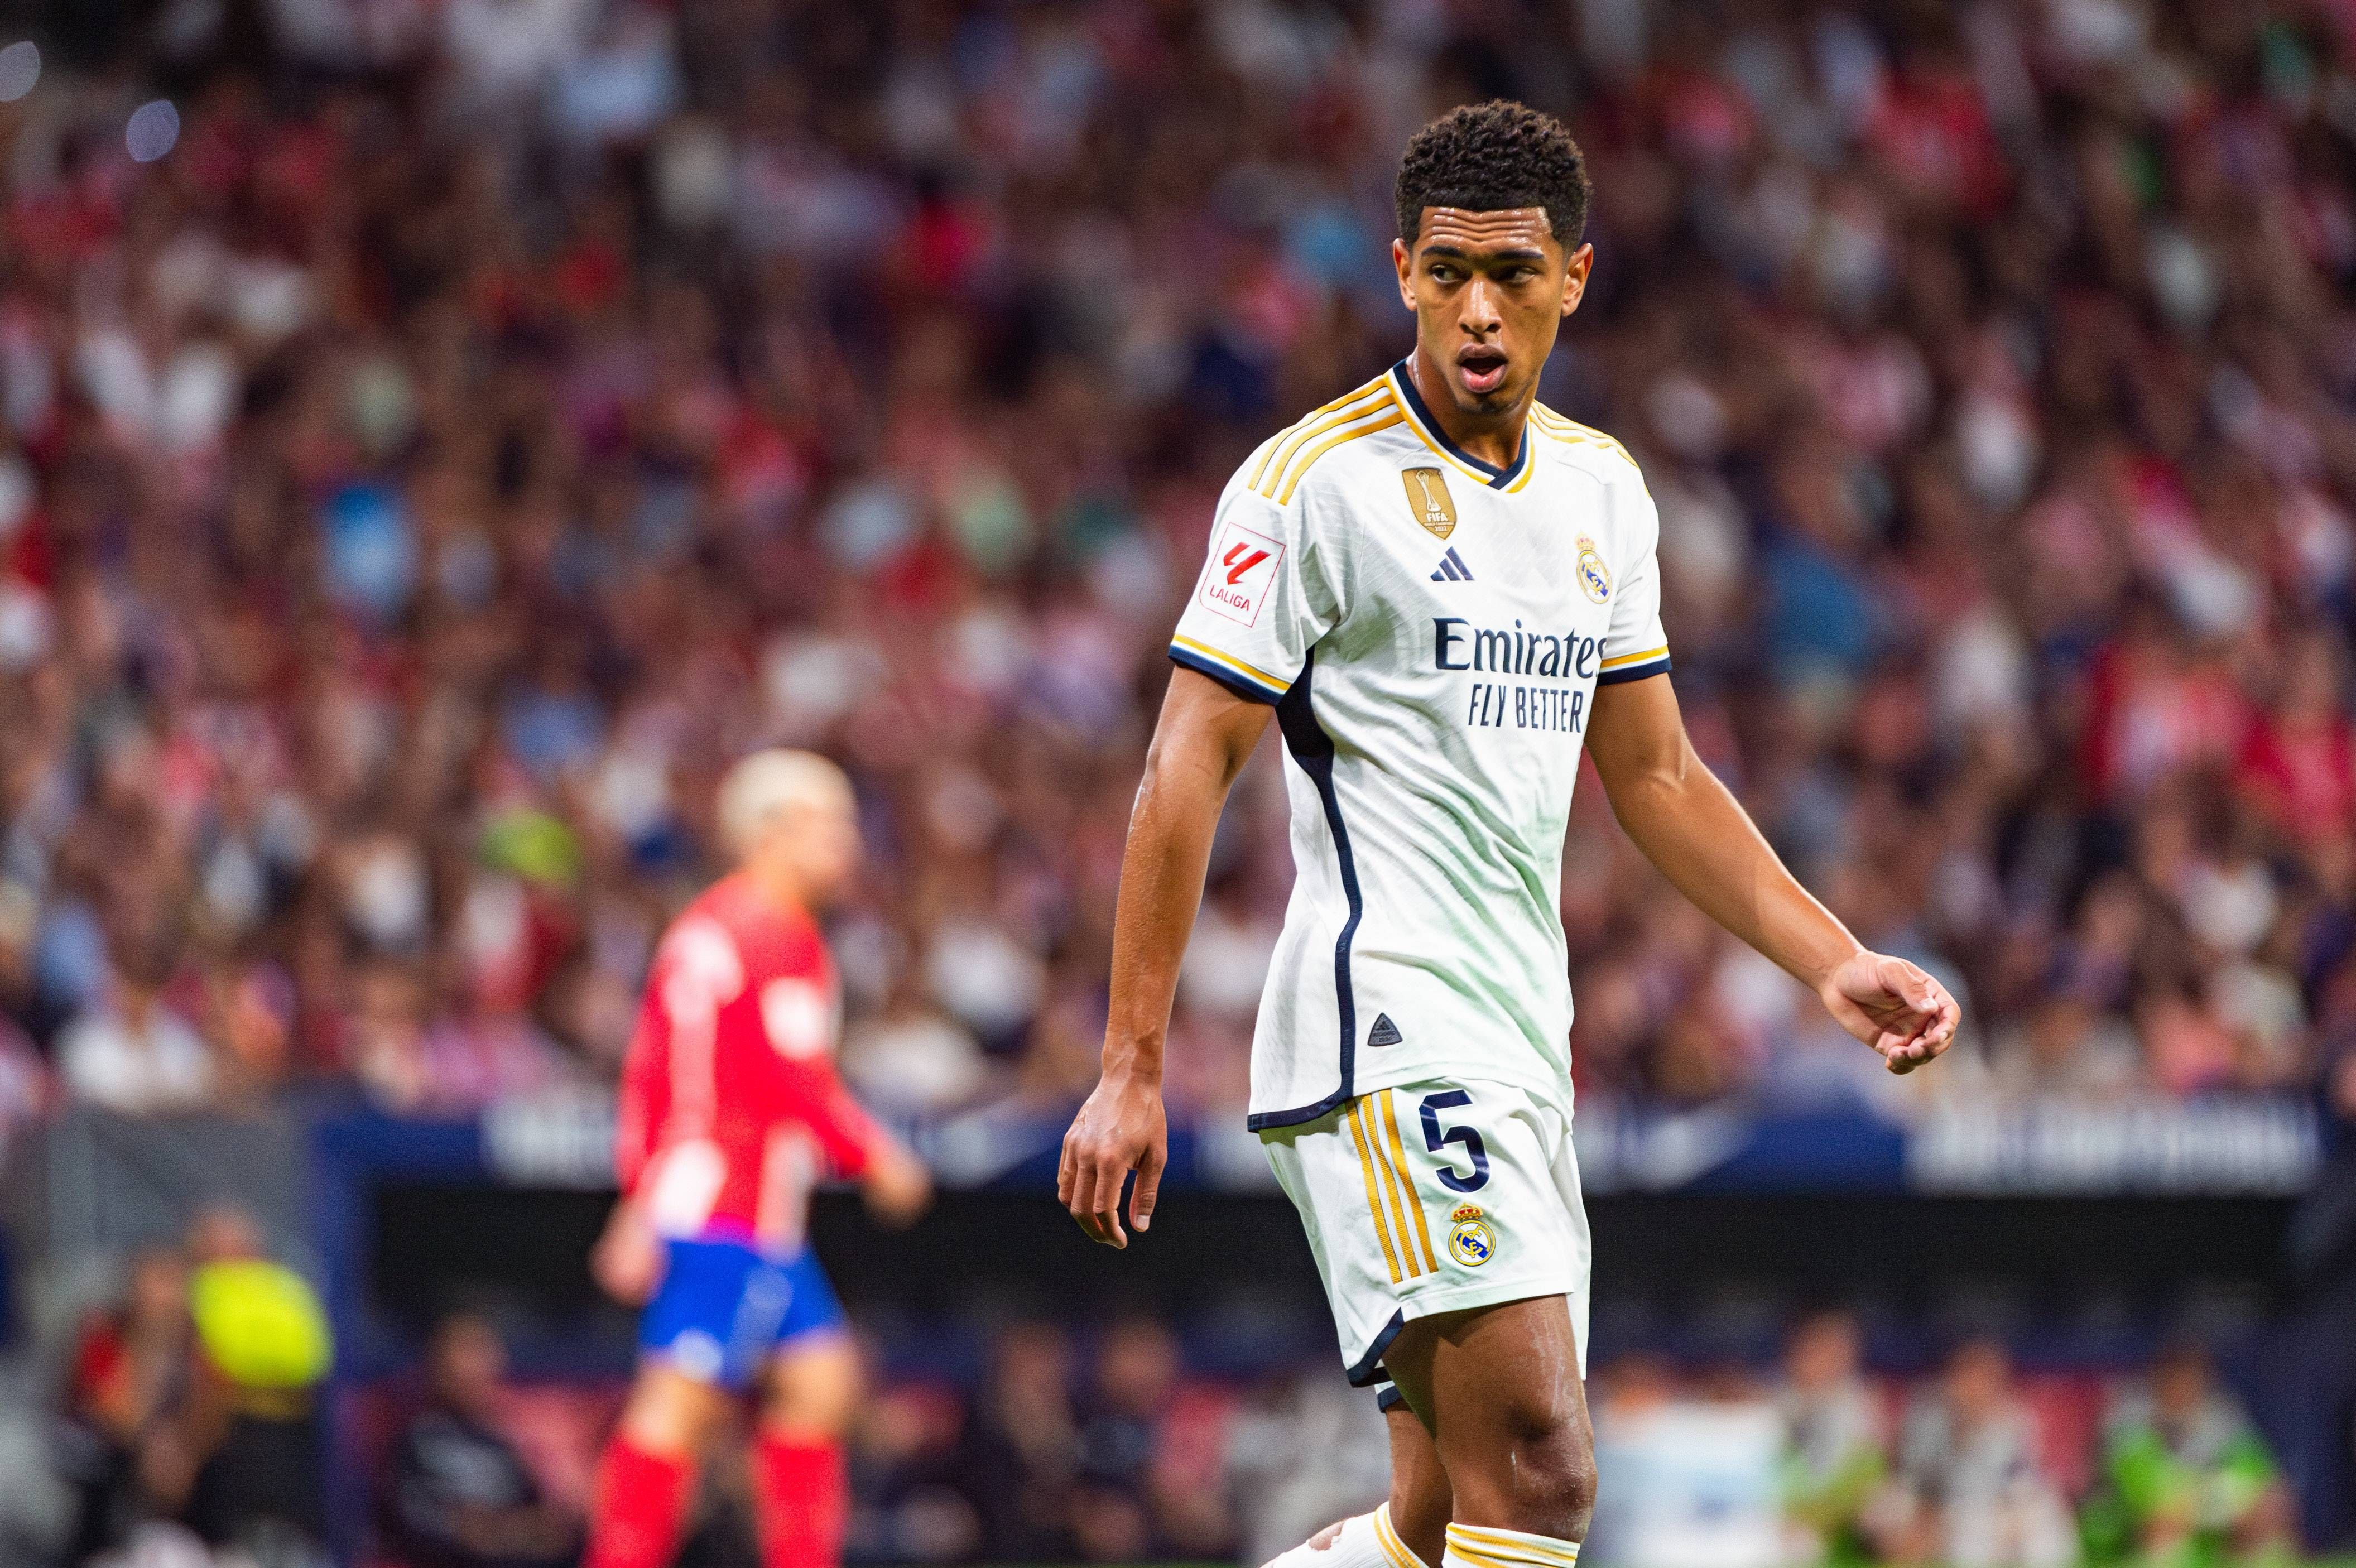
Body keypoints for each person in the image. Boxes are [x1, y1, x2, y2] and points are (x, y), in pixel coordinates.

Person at [1057, 99, 1960, 1568]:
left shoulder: (1599, 489)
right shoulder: (1312, 487)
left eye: (1515, 277)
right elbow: (1183, 763)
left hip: (1515, 1042)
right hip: (1384, 1029)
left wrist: (1827, 957)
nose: (1480, 312)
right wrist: (1131, 1066)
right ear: (1401, 270)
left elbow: (1656, 777)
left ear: (1573, 279)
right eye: (1447, 274)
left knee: (1438, 1515)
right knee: (1542, 1473)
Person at [584, 749, 931, 1568]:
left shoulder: (706, 925)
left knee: (821, 1383)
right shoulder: (775, 931)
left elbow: (650, 1078)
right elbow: (794, 1074)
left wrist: (636, 1198)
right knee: (674, 1410)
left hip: (722, 1201)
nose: (849, 843)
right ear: (772, 831)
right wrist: (875, 1157)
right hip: (728, 1206)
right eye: (832, 824)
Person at [383, 1312, 581, 1568]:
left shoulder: (502, 1443)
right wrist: (505, 1531)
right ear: (439, 1366)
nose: (478, 1368)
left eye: (484, 1354)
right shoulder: (418, 1442)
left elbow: (552, 1528)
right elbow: (455, 1532)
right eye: (466, 1354)